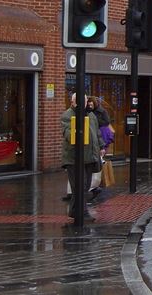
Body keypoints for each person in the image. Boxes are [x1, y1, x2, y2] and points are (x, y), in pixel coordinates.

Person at [60, 93, 102, 221]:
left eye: (84, 101)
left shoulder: (91, 115)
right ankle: (82, 213)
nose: (82, 104)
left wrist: (101, 146)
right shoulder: (68, 115)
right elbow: (68, 134)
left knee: (85, 186)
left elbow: (96, 133)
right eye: (78, 101)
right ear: (72, 102)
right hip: (74, 158)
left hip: (89, 157)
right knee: (79, 187)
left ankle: (73, 211)